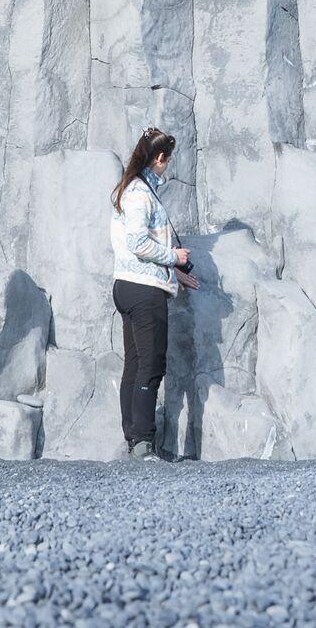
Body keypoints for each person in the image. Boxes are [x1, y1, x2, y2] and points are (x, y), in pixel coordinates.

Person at [109, 127, 197, 460]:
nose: (168, 166)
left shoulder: (128, 189)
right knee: (151, 364)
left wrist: (171, 269)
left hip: (128, 285)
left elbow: (133, 246)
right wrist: (174, 257)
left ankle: (134, 438)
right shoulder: (140, 194)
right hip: (144, 291)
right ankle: (144, 445)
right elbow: (137, 242)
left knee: (134, 364)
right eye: (168, 160)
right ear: (159, 159)